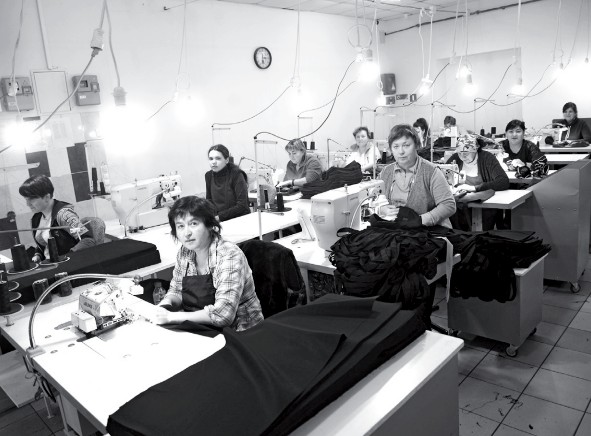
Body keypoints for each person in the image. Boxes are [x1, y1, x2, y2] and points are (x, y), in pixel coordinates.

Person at [155, 196, 264, 331]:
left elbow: (223, 315)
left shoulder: (229, 254)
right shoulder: (185, 252)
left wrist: (172, 317)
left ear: (210, 226)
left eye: (194, 223)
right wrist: (166, 303)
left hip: (240, 332)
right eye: (180, 226)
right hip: (202, 327)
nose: (187, 233)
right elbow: (177, 289)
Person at [377, 124, 456, 228]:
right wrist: (381, 209)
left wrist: (420, 220)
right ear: (391, 149)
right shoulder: (385, 172)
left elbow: (448, 205)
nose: (401, 151)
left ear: (416, 145)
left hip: (428, 230)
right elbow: (373, 199)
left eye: (406, 145)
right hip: (397, 229)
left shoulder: (431, 171)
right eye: (396, 146)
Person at [19, 175, 92, 262]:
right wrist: (38, 255)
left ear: (47, 197)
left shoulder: (64, 215)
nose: (27, 204)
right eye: (26, 199)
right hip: (49, 264)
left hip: (68, 264)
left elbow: (88, 240)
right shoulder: (36, 218)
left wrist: (67, 257)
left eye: (31, 199)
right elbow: (45, 243)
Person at [446, 135, 510, 230]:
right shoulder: (455, 158)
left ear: (475, 150)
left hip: (484, 209)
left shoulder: (487, 158)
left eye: (466, 153)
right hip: (461, 208)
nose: (462, 156)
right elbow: (442, 177)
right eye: (459, 153)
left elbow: (503, 181)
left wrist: (474, 188)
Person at [205, 144, 250, 222]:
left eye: (218, 158)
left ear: (227, 160)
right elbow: (209, 200)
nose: (214, 162)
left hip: (239, 219)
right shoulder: (208, 175)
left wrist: (219, 217)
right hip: (219, 219)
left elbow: (242, 205)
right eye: (211, 159)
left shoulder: (236, 175)